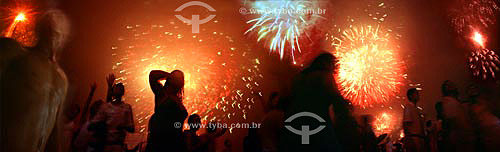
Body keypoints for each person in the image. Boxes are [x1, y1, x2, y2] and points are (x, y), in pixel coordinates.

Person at [1, 9, 70, 152]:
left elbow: (53, 133)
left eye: (58, 33)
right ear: (39, 30)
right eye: (49, 30)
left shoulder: (61, 79)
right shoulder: (17, 53)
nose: (54, 36)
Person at [280, 53, 344, 151]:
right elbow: (337, 99)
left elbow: (286, 99)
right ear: (329, 64)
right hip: (317, 123)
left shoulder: (298, 77)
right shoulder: (325, 76)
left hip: (295, 123)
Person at [145, 70, 188, 152]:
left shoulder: (177, 99)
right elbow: (153, 75)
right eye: (177, 77)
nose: (180, 79)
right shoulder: (162, 93)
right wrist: (170, 75)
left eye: (181, 78)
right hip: (161, 142)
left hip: (176, 142)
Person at [93, 74, 135, 152]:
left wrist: (123, 126)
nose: (119, 89)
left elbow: (132, 128)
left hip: (118, 145)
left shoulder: (126, 107)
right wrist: (109, 87)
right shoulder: (107, 107)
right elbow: (107, 105)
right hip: (105, 145)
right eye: (117, 87)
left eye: (121, 88)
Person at [440, 80, 476, 152]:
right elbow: (452, 122)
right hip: (462, 138)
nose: (455, 85)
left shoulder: (453, 101)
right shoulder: (449, 102)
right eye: (451, 85)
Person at [466, 84, 500, 152]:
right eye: (470, 89)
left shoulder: (483, 100)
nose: (472, 90)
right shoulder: (469, 106)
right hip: (487, 130)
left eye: (474, 88)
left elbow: (493, 109)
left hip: (495, 125)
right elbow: (473, 121)